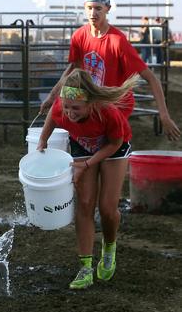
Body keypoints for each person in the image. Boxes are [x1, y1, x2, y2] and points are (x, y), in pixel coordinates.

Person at [38, 69, 139, 290]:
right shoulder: (61, 107)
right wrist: (42, 141)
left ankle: (109, 247)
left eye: (76, 108)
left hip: (114, 148)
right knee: (84, 204)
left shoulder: (108, 112)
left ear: (91, 103)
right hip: (83, 144)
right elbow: (52, 118)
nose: (70, 113)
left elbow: (114, 143)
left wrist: (86, 165)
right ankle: (85, 268)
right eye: (66, 106)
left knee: (107, 208)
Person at [41, 0, 180, 142]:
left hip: (115, 103)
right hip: (91, 100)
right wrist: (52, 96)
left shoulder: (117, 41)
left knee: (109, 147)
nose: (93, 13)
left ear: (108, 8)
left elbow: (151, 78)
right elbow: (74, 68)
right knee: (63, 109)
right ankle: (42, 143)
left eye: (98, 8)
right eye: (89, 8)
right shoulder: (79, 36)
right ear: (85, 8)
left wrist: (164, 115)